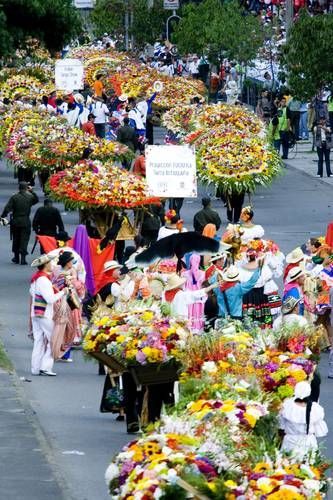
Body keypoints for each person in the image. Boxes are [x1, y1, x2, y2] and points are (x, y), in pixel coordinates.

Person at [30, 254, 67, 376]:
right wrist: (63, 292)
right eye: (50, 263)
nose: (52, 265)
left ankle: (35, 368)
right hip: (44, 313)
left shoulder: (36, 279)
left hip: (35, 313)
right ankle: (45, 367)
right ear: (45, 265)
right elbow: (50, 299)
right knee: (54, 339)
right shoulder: (44, 280)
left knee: (39, 341)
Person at [279, 381, 328, 461]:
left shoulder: (288, 406)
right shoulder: (315, 409)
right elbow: (318, 431)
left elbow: (281, 427)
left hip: (289, 443)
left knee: (287, 468)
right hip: (308, 443)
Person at [51, 251, 86, 360]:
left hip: (62, 302)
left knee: (64, 328)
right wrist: (78, 284)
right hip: (68, 303)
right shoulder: (67, 274)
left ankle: (63, 352)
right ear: (67, 262)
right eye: (71, 261)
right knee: (67, 329)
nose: (72, 263)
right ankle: (63, 353)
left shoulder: (56, 272)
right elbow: (77, 287)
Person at [1, 181, 39, 264]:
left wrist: (3, 216)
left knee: (16, 239)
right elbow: (36, 200)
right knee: (24, 239)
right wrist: (32, 191)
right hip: (25, 220)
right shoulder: (29, 197)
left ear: (19, 188)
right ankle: (23, 258)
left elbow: (7, 208)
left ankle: (16, 257)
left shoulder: (14, 197)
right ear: (26, 188)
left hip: (16, 221)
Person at [184, 254, 206, 332]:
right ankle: (199, 330)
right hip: (199, 300)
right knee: (199, 315)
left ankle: (190, 330)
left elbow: (184, 288)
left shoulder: (185, 274)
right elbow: (204, 288)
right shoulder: (203, 274)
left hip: (189, 301)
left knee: (190, 316)